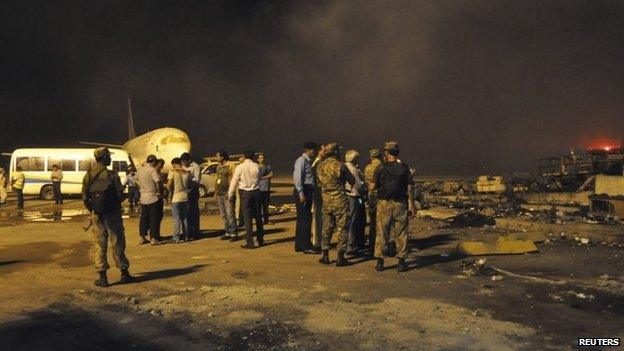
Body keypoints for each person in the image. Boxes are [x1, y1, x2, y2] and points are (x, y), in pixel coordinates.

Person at [81, 147, 135, 287]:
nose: (110, 159)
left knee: (100, 244)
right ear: (104, 158)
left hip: (97, 214)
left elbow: (85, 198)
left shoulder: (88, 175)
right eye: (108, 157)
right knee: (117, 242)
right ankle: (124, 273)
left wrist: (93, 210)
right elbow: (119, 195)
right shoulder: (112, 175)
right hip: (113, 213)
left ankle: (103, 277)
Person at [369, 141, 417, 272]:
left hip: (384, 203)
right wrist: (412, 205)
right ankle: (401, 262)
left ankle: (380, 262)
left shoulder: (380, 167)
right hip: (400, 203)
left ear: (386, 152)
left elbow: (372, 186)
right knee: (401, 233)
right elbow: (410, 187)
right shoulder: (404, 167)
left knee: (382, 232)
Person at [316, 143, 355, 266]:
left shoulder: (319, 166)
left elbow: (318, 183)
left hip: (326, 201)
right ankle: (340, 257)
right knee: (342, 228)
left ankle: (325, 255)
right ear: (336, 152)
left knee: (327, 227)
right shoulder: (340, 166)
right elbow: (352, 180)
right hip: (340, 200)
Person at [228, 150, 264, 249]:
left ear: (244, 156)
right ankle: (260, 239)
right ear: (253, 157)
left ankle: (250, 242)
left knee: (247, 218)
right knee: (258, 217)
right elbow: (260, 177)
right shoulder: (257, 166)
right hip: (256, 192)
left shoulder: (240, 167)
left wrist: (230, 193)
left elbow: (234, 181)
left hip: (245, 193)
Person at [293, 142, 320, 253]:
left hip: (306, 191)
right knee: (305, 219)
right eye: (314, 150)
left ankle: (299, 244)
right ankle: (306, 246)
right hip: (304, 191)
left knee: (302, 219)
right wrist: (301, 194)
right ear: (309, 150)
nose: (315, 152)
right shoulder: (302, 161)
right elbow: (298, 178)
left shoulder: (308, 162)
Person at [344, 150, 367, 255]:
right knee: (354, 221)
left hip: (346, 196)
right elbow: (359, 185)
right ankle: (351, 246)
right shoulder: (352, 169)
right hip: (355, 197)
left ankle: (347, 245)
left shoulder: (343, 166)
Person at [137, 154, 163, 245]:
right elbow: (157, 182)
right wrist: (159, 193)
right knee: (153, 219)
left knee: (144, 218)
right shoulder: (152, 170)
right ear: (154, 162)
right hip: (152, 197)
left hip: (143, 198)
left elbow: (137, 181)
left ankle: (142, 237)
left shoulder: (140, 170)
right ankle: (154, 238)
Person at [214, 150, 237, 241]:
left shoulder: (230, 166)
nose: (216, 158)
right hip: (220, 193)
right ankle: (227, 232)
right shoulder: (218, 167)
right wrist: (216, 191)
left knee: (230, 214)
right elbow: (217, 179)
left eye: (217, 156)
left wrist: (230, 192)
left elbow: (233, 179)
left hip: (227, 193)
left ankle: (234, 234)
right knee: (224, 215)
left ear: (222, 157)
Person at [167, 158, 191, 243]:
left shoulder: (172, 172)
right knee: (184, 218)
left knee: (176, 219)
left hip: (176, 197)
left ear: (174, 164)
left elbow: (169, 185)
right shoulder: (187, 172)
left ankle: (176, 237)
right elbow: (190, 185)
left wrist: (168, 194)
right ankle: (186, 236)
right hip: (185, 197)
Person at [364, 148, 383, 250]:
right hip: (382, 195)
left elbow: (367, 182)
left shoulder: (368, 168)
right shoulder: (383, 166)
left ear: (371, 156)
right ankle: (383, 244)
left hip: (371, 195)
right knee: (383, 220)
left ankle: (372, 244)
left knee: (372, 221)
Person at [181, 152, 201, 238]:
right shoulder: (182, 167)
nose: (183, 164)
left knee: (194, 211)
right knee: (186, 212)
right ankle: (187, 231)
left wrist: (188, 179)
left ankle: (195, 231)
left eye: (185, 162)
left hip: (193, 190)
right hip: (185, 191)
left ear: (189, 160)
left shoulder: (195, 166)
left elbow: (197, 179)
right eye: (182, 162)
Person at [311, 144, 327, 250]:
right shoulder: (318, 163)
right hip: (318, 194)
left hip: (317, 194)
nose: (326, 152)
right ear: (319, 151)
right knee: (318, 219)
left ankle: (318, 241)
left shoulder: (317, 163)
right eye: (324, 150)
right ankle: (318, 242)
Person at [257, 153, 274, 225]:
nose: (262, 159)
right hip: (258, 189)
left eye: (263, 158)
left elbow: (271, 174)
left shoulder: (267, 166)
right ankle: (259, 220)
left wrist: (264, 177)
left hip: (266, 189)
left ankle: (266, 220)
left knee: (265, 206)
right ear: (258, 159)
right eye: (260, 158)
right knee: (258, 206)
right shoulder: (256, 167)